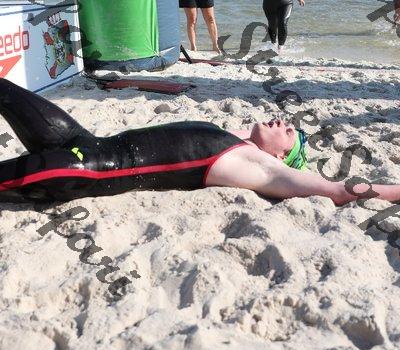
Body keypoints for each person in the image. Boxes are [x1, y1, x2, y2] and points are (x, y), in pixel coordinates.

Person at [1, 78, 400, 207]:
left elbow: (338, 190)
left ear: (280, 156)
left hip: (88, 169)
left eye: (290, 133)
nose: (284, 122)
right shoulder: (232, 137)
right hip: (82, 139)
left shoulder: (260, 167)